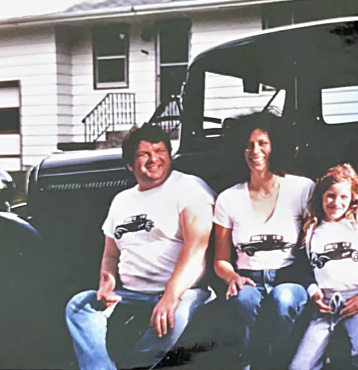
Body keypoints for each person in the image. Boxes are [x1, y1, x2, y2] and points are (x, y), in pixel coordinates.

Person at [65, 124, 216, 370]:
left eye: (160, 150)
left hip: (182, 292)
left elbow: (196, 250)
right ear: (130, 165)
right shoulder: (121, 200)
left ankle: (132, 366)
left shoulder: (190, 188)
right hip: (130, 294)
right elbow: (111, 255)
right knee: (79, 304)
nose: (154, 158)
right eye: (144, 154)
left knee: (174, 316)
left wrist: (170, 296)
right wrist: (107, 283)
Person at [213, 111, 314, 369]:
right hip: (248, 278)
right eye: (248, 145)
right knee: (243, 301)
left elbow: (317, 244)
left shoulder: (302, 189)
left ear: (276, 146)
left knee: (283, 301)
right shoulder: (228, 199)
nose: (254, 151)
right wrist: (232, 278)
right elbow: (221, 261)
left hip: (290, 277)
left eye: (262, 143)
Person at [289, 163, 358, 370]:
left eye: (343, 197)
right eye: (330, 196)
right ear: (321, 196)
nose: (336, 202)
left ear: (352, 199)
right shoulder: (310, 229)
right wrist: (314, 292)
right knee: (299, 367)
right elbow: (304, 269)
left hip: (357, 300)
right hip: (324, 305)